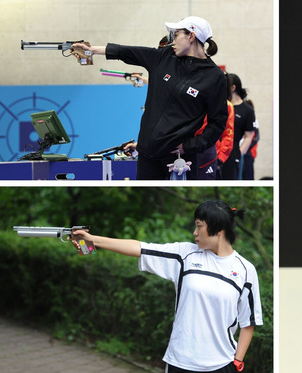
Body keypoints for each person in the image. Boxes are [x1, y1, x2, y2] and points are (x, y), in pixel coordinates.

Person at [71, 200, 263, 373]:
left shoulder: (245, 270)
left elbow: (248, 322)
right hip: (180, 362)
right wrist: (93, 240)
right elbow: (140, 247)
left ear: (219, 230)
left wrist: (237, 361)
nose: (194, 233)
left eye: (199, 226)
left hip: (222, 364)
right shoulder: (184, 255)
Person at [72, 16, 228, 180]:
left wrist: (189, 146)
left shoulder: (214, 77)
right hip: (147, 155)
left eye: (175, 35)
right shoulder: (164, 57)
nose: (172, 41)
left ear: (191, 36)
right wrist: (92, 50)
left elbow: (217, 123)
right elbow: (128, 52)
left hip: (178, 158)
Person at [221, 74, 256, 180]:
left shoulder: (247, 110)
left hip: (232, 151)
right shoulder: (221, 105)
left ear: (232, 87)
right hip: (216, 148)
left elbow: (248, 136)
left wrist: (240, 153)